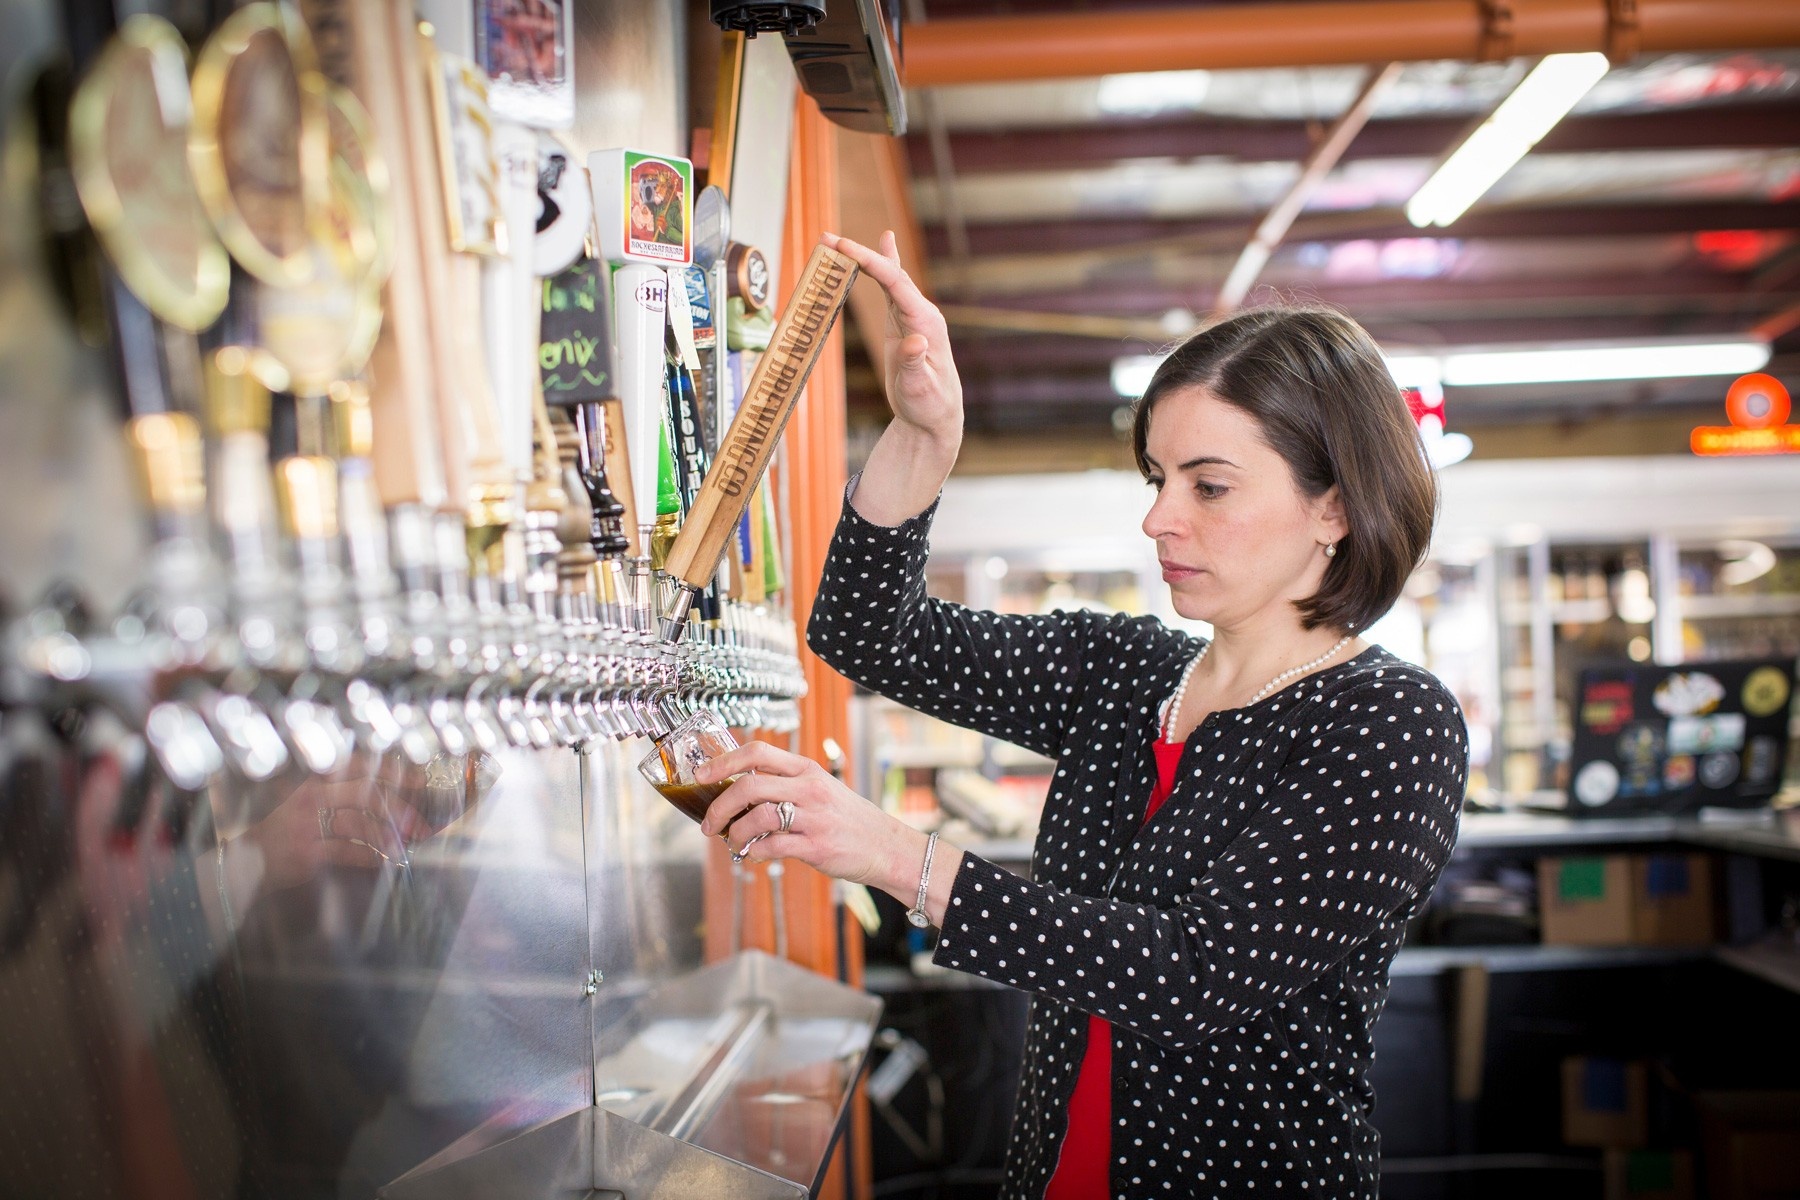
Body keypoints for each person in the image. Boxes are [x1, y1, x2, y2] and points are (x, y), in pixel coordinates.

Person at [696, 231, 1468, 1198]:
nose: (1159, 517)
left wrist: (896, 856)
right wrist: (926, 438)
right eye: (1158, 478)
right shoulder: (1126, 672)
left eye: (1209, 485)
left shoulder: (1392, 724)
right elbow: (865, 631)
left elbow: (1189, 979)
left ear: (1336, 508)